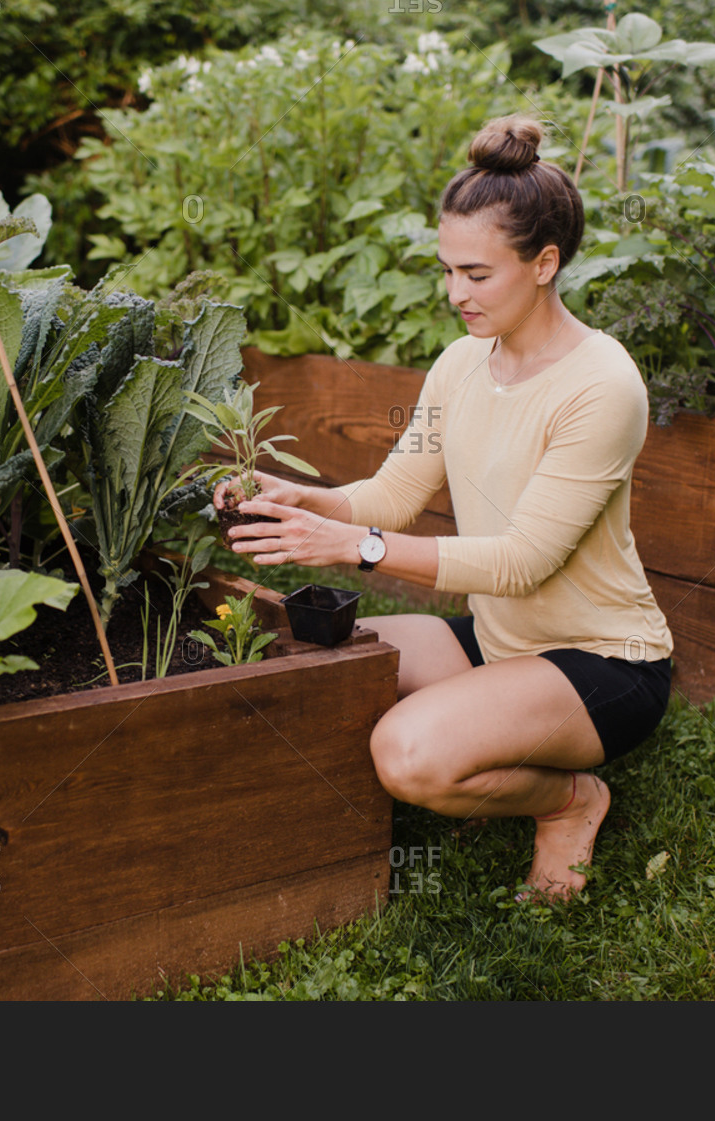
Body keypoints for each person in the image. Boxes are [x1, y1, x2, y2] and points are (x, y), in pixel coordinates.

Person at [214, 114, 674, 901]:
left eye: (477, 274)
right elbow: (391, 495)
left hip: (603, 660)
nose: (456, 293)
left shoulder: (603, 385)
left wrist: (355, 546)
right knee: (313, 655)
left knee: (408, 754)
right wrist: (301, 499)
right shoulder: (462, 363)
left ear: (545, 263)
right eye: (447, 271)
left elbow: (524, 560)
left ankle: (570, 801)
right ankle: (487, 745)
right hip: (499, 641)